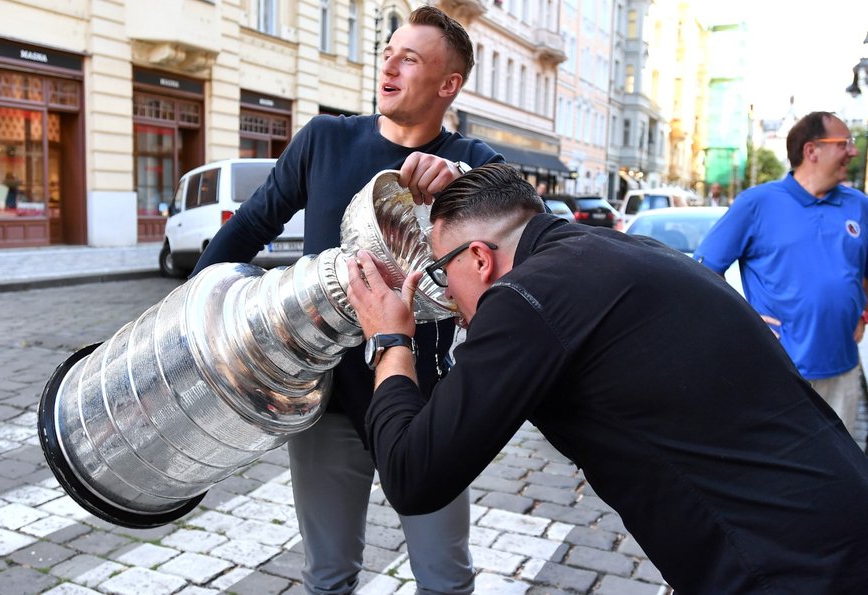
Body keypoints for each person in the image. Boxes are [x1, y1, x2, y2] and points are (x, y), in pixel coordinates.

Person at [346, 163, 868, 594]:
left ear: (479, 258)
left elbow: (413, 475)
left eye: (440, 271)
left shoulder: (528, 294)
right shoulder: (626, 251)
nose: (447, 298)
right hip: (832, 517)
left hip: (785, 564)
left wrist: (391, 340)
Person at [190, 6, 502, 594]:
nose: (389, 63)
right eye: (387, 51)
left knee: (445, 579)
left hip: (429, 405)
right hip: (325, 402)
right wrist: (191, 316)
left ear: (448, 84)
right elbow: (249, 227)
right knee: (328, 578)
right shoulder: (325, 140)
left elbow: (514, 241)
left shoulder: (476, 164)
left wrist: (456, 179)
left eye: (409, 57)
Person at [694, 111, 868, 436]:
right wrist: (743, 320)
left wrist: (864, 311)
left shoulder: (859, 206)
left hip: (843, 371)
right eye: (844, 143)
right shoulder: (757, 203)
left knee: (840, 473)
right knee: (780, 472)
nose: (853, 152)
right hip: (778, 371)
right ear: (811, 150)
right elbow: (702, 273)